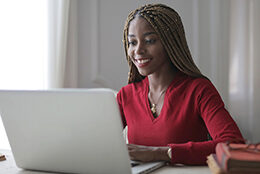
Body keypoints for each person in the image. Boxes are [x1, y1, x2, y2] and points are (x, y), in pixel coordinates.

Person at [116, 3, 244, 165]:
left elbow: (234, 145)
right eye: (132, 42)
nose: (138, 50)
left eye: (149, 40)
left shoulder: (198, 90)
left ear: (170, 42)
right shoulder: (125, 95)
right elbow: (98, 145)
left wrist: (161, 153)